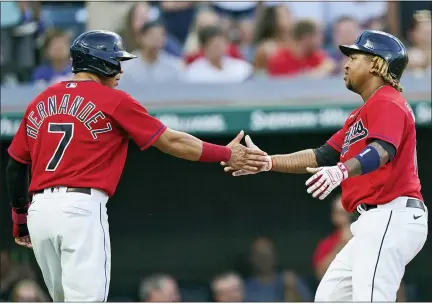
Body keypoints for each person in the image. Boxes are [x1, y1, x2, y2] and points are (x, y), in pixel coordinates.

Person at [5, 30, 269, 302]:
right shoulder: (113, 100)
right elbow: (171, 141)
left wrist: (20, 219)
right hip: (79, 209)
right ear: (100, 62)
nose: (120, 69)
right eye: (116, 61)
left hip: (40, 213)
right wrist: (225, 153)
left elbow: (15, 165)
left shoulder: (40, 100)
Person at [222, 30, 428, 301]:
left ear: (376, 64)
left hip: (391, 214)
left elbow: (382, 151)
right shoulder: (361, 113)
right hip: (374, 220)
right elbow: (322, 155)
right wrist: (269, 162)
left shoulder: (388, 100)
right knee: (329, 298)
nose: (346, 63)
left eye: (355, 57)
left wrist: (342, 171)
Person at [243, 237, 313, 302]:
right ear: (251, 258)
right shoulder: (244, 288)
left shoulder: (290, 279)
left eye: (267, 254)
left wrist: (292, 290)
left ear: (274, 255)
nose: (264, 258)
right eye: (260, 255)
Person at [183, 26, 252, 83]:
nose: (220, 49)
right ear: (204, 48)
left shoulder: (241, 67)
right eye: (215, 46)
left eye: (222, 44)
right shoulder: (194, 72)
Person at [267, 19, 335, 78]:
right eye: (318, 36)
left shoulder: (315, 55)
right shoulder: (279, 59)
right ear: (307, 37)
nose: (321, 40)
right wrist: (317, 73)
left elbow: (329, 65)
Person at [312, 194, 352, 281]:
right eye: (341, 213)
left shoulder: (364, 237)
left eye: (348, 212)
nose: (346, 217)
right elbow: (320, 273)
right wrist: (342, 244)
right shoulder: (327, 243)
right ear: (334, 216)